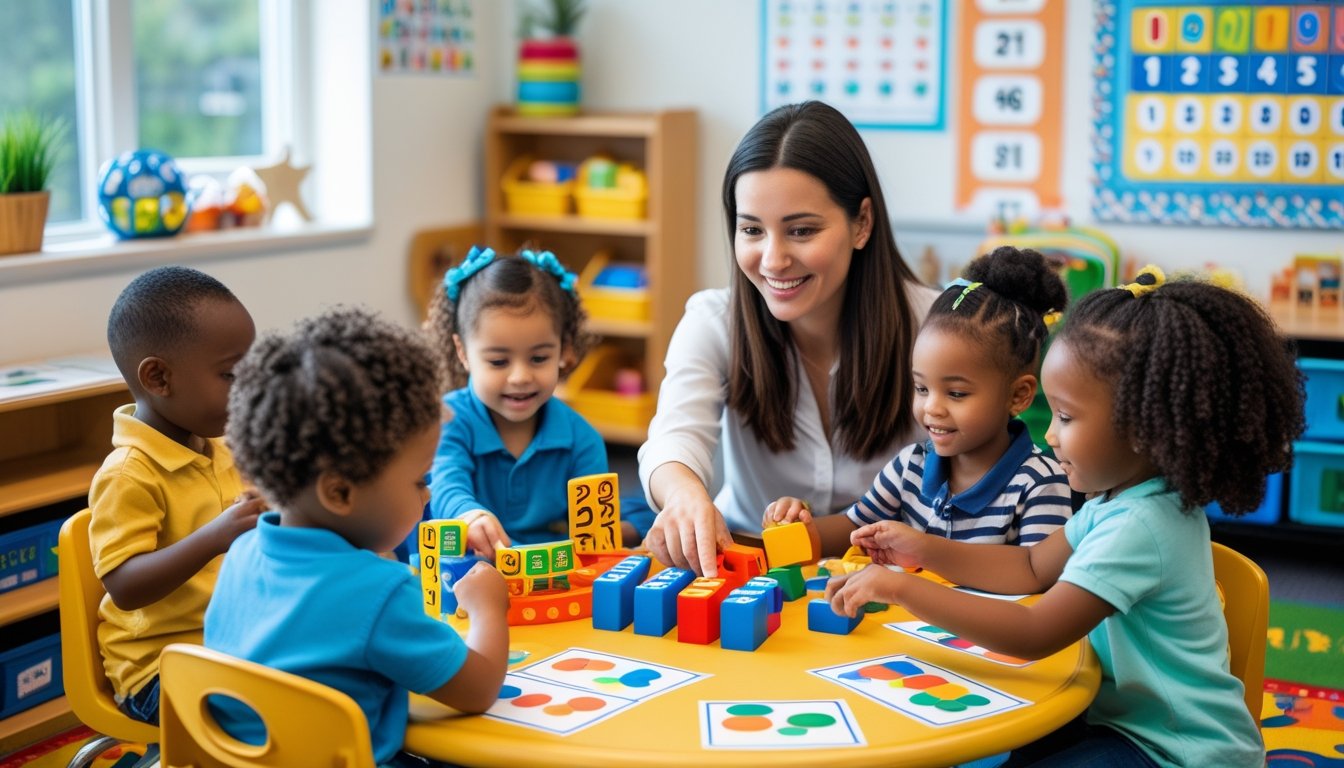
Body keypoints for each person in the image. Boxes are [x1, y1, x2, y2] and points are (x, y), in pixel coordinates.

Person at [826, 267, 1303, 767]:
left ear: (1143, 429)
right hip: (1118, 722)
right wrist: (922, 549)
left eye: (1067, 418)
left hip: (1175, 750)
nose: (1050, 436)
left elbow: (1037, 634)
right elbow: (1031, 566)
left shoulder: (1141, 526)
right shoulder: (1116, 501)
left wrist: (901, 587)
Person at [639, 100, 939, 575]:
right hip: (750, 563)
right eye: (752, 230)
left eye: (801, 230)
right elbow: (672, 442)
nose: (773, 259)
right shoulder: (713, 321)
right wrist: (684, 495)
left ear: (861, 222)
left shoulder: (931, 327)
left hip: (893, 575)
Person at [207, 307, 509, 768]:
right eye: (418, 481)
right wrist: (488, 604)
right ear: (341, 492)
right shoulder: (378, 594)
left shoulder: (243, 552)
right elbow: (479, 689)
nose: (427, 494)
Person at [764, 246, 1074, 554]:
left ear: (1018, 395)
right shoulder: (909, 466)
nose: (931, 408)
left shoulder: (1041, 484)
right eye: (921, 388)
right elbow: (853, 528)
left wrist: (927, 552)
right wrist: (799, 524)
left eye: (956, 393)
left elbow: (1036, 579)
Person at [91, 265, 264, 725]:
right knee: (286, 709)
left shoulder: (220, 445)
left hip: (233, 641)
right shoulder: (129, 474)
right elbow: (124, 586)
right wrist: (216, 535)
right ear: (159, 379)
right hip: (160, 667)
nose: (247, 390)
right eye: (231, 375)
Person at [423, 246, 647, 558]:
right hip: (473, 568)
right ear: (463, 352)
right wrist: (470, 515)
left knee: (644, 515)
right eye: (499, 361)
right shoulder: (450, 419)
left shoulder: (581, 439)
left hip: (552, 572)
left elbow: (591, 529)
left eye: (539, 358)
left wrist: (606, 534)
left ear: (564, 350)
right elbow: (446, 485)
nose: (520, 377)